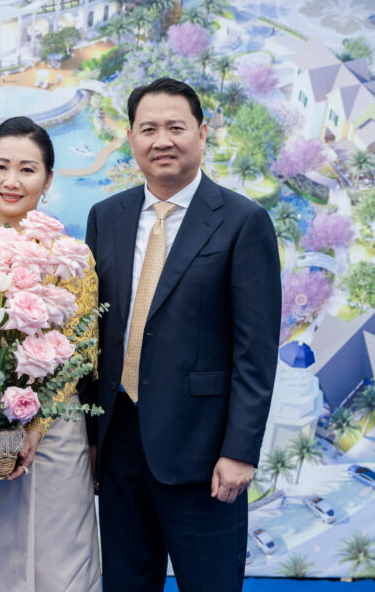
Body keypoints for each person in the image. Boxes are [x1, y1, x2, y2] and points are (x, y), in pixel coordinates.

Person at [83, 77, 280, 591]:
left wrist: (240, 450)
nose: (162, 140)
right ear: (131, 138)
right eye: (148, 129)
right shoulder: (106, 217)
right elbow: (93, 335)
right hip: (119, 445)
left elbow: (256, 352)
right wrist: (90, 439)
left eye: (176, 127)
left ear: (202, 133)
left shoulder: (243, 221)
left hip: (204, 453)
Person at [0, 117, 101, 591]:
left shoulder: (72, 256)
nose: (11, 181)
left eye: (27, 169)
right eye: (1, 167)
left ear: (48, 180)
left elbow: (80, 354)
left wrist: (35, 427)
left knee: (60, 562)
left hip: (54, 432)